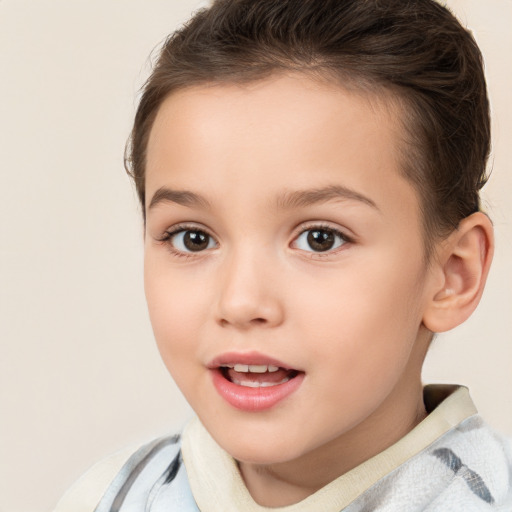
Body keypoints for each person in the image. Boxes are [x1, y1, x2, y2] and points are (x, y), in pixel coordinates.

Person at [54, 0, 512, 510]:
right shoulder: (107, 497)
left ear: (454, 274)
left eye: (320, 238)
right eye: (193, 238)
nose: (241, 301)